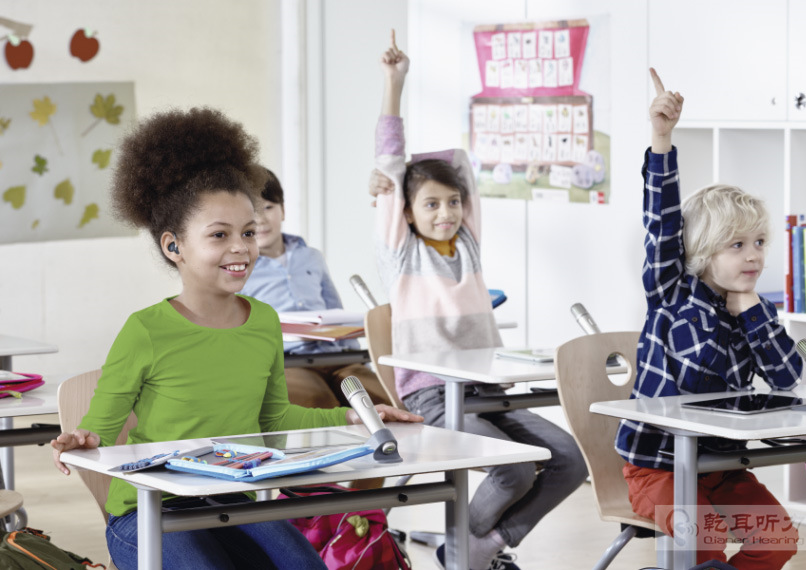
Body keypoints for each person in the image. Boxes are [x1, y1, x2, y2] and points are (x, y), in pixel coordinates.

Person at [50, 107, 421, 570]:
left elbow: (274, 418)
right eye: (219, 235)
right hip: (149, 511)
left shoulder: (263, 320)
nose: (241, 248)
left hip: (232, 502)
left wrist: (354, 417)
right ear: (174, 246)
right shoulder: (146, 329)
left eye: (248, 232)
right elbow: (100, 429)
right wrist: (82, 438)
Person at [371, 31, 587, 570]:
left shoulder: (467, 242)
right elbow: (394, 165)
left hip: (485, 390)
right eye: (430, 204)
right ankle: (469, 551)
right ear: (407, 212)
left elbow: (464, 165)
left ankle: (472, 547)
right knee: (512, 470)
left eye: (452, 202)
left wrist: (444, 177)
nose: (444, 212)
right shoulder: (402, 253)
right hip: (430, 397)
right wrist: (395, 84)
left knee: (568, 461)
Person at [614, 69, 804, 569]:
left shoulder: (755, 309)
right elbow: (661, 219)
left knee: (779, 538)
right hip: (657, 470)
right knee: (705, 537)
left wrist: (753, 313)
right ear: (702, 251)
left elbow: (787, 376)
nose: (753, 256)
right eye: (737, 245)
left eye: (759, 243)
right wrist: (661, 139)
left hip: (718, 467)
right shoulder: (671, 292)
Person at [241, 166, 390, 409]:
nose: (261, 219)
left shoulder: (311, 256)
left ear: (283, 210)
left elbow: (335, 310)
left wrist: (353, 356)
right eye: (253, 212)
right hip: (288, 362)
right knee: (321, 405)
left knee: (380, 400)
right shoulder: (240, 267)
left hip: (336, 356)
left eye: (268, 207)